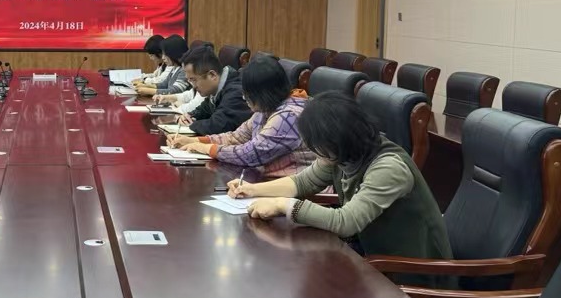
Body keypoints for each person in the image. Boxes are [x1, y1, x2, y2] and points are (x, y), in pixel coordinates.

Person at [228, 92, 451, 268]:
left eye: (316, 146)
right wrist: (251, 189)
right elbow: (302, 182)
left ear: (335, 140)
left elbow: (346, 222)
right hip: (374, 259)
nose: (315, 153)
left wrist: (284, 205)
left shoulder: (388, 167)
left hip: (415, 273)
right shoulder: (343, 154)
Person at [173, 56, 315, 178]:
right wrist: (194, 141)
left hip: (298, 194)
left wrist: (204, 148)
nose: (243, 97)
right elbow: (236, 137)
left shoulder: (289, 115)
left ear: (262, 93)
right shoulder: (265, 110)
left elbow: (250, 154)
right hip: (268, 184)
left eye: (247, 93)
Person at [164, 46, 251, 136]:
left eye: (194, 80)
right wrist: (188, 116)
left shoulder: (236, 92)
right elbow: (203, 110)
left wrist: (191, 124)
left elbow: (217, 126)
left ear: (212, 75)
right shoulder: (217, 89)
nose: (193, 87)